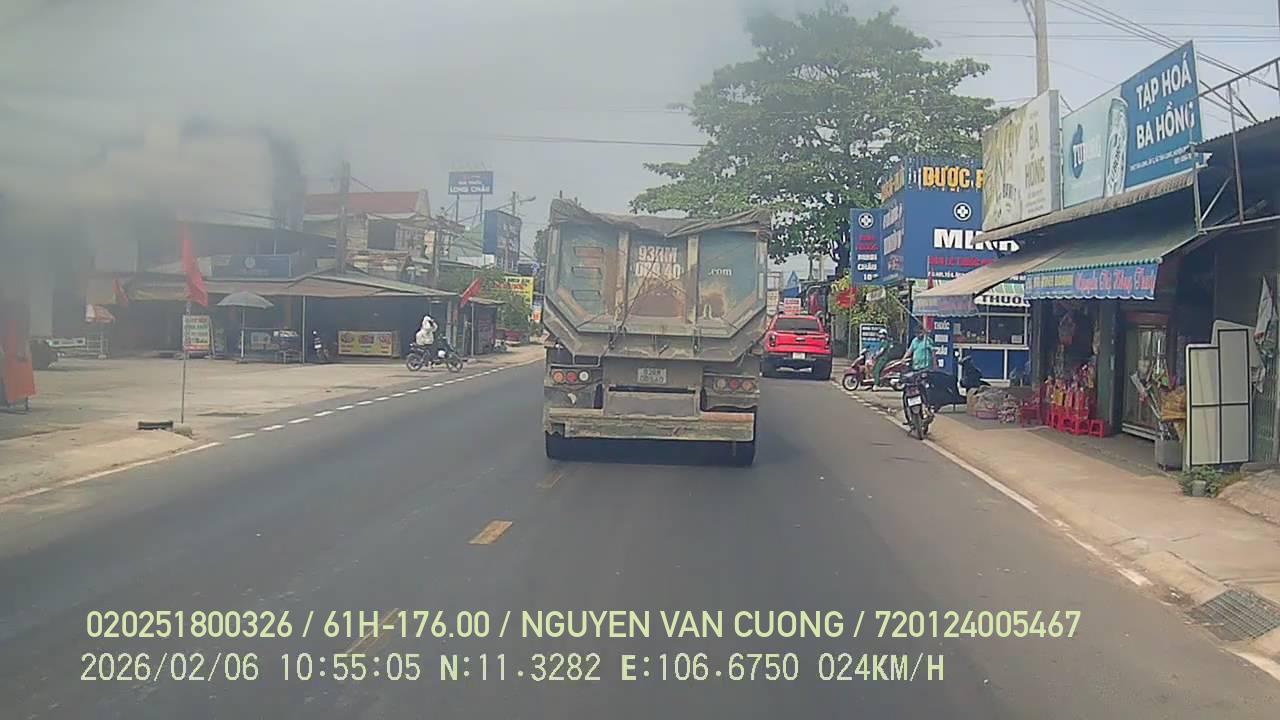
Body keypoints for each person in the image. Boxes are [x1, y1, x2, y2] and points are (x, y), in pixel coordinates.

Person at [901, 325, 935, 425]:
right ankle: (909, 415)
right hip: (915, 369)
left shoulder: (927, 341)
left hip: (925, 369)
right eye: (917, 333)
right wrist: (903, 360)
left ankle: (928, 408)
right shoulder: (914, 341)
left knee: (925, 390)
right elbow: (909, 351)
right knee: (909, 389)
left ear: (923, 332)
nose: (918, 335)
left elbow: (933, 353)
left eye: (920, 333)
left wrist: (934, 366)